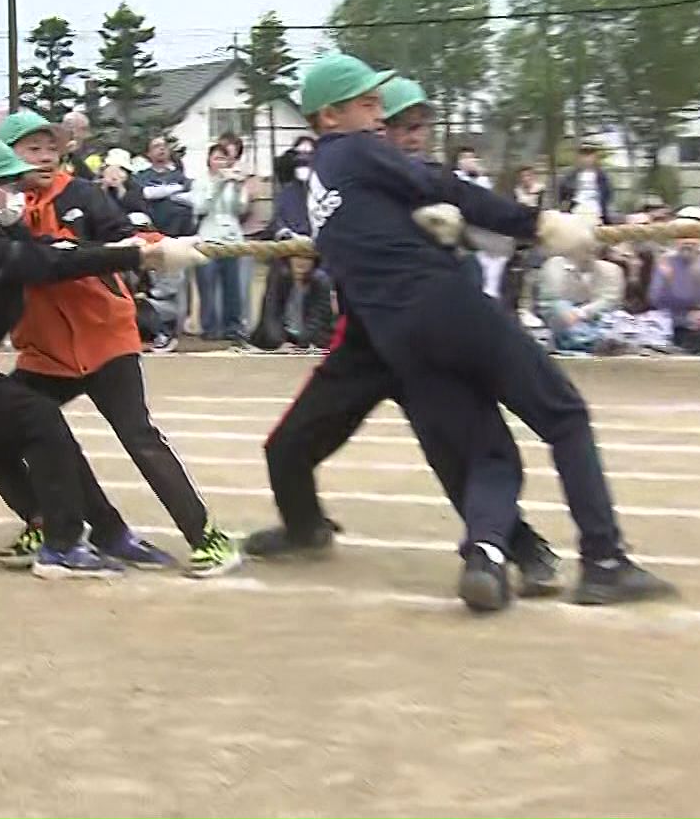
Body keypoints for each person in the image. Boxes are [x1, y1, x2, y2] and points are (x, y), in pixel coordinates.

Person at [250, 54, 672, 610]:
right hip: (446, 308)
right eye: (370, 106)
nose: (381, 119)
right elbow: (444, 185)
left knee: (481, 452)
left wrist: (444, 229)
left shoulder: (321, 184)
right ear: (330, 117)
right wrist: (539, 223)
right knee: (563, 415)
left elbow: (388, 222)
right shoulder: (356, 150)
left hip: (398, 337)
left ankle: (488, 558)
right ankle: (604, 561)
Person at [0, 136, 201, 578]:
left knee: (8, 426)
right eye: (10, 185)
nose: (20, 194)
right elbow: (48, 265)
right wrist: (140, 256)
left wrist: (139, 246)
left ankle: (97, 530)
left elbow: (53, 249)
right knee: (40, 418)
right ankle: (61, 544)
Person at [0, 111, 241, 575]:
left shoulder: (81, 194)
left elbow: (126, 235)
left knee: (138, 435)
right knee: (5, 427)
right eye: (32, 149)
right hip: (45, 350)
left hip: (105, 336)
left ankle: (207, 536)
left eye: (51, 148)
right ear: (5, 158)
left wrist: (159, 248)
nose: (45, 157)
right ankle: (56, 524)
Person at [193, 142, 250, 341]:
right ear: (209, 160)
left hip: (232, 239)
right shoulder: (200, 181)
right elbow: (200, 207)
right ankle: (210, 327)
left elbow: (240, 209)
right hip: (208, 238)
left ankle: (233, 327)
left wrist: (238, 187)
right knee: (207, 285)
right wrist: (218, 184)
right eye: (216, 158)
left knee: (232, 286)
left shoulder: (233, 181)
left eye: (224, 158)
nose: (220, 162)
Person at [535, 248, 625, 354]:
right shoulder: (554, 265)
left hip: (598, 318)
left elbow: (610, 300)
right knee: (559, 307)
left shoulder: (611, 270)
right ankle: (589, 341)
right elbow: (550, 299)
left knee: (614, 319)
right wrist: (567, 313)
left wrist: (581, 313)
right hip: (564, 317)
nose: (587, 256)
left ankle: (592, 341)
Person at [251, 255, 336, 351]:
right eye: (296, 256)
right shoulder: (278, 276)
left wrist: (300, 345)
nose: (301, 262)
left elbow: (317, 320)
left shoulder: (322, 281)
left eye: (307, 257)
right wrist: (280, 343)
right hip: (278, 339)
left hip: (310, 341)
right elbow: (271, 315)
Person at [557, 143, 613, 221]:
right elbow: (562, 194)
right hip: (576, 211)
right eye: (584, 155)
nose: (587, 158)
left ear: (595, 157)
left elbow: (607, 195)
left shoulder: (602, 177)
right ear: (580, 157)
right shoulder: (571, 176)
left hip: (596, 211)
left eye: (590, 155)